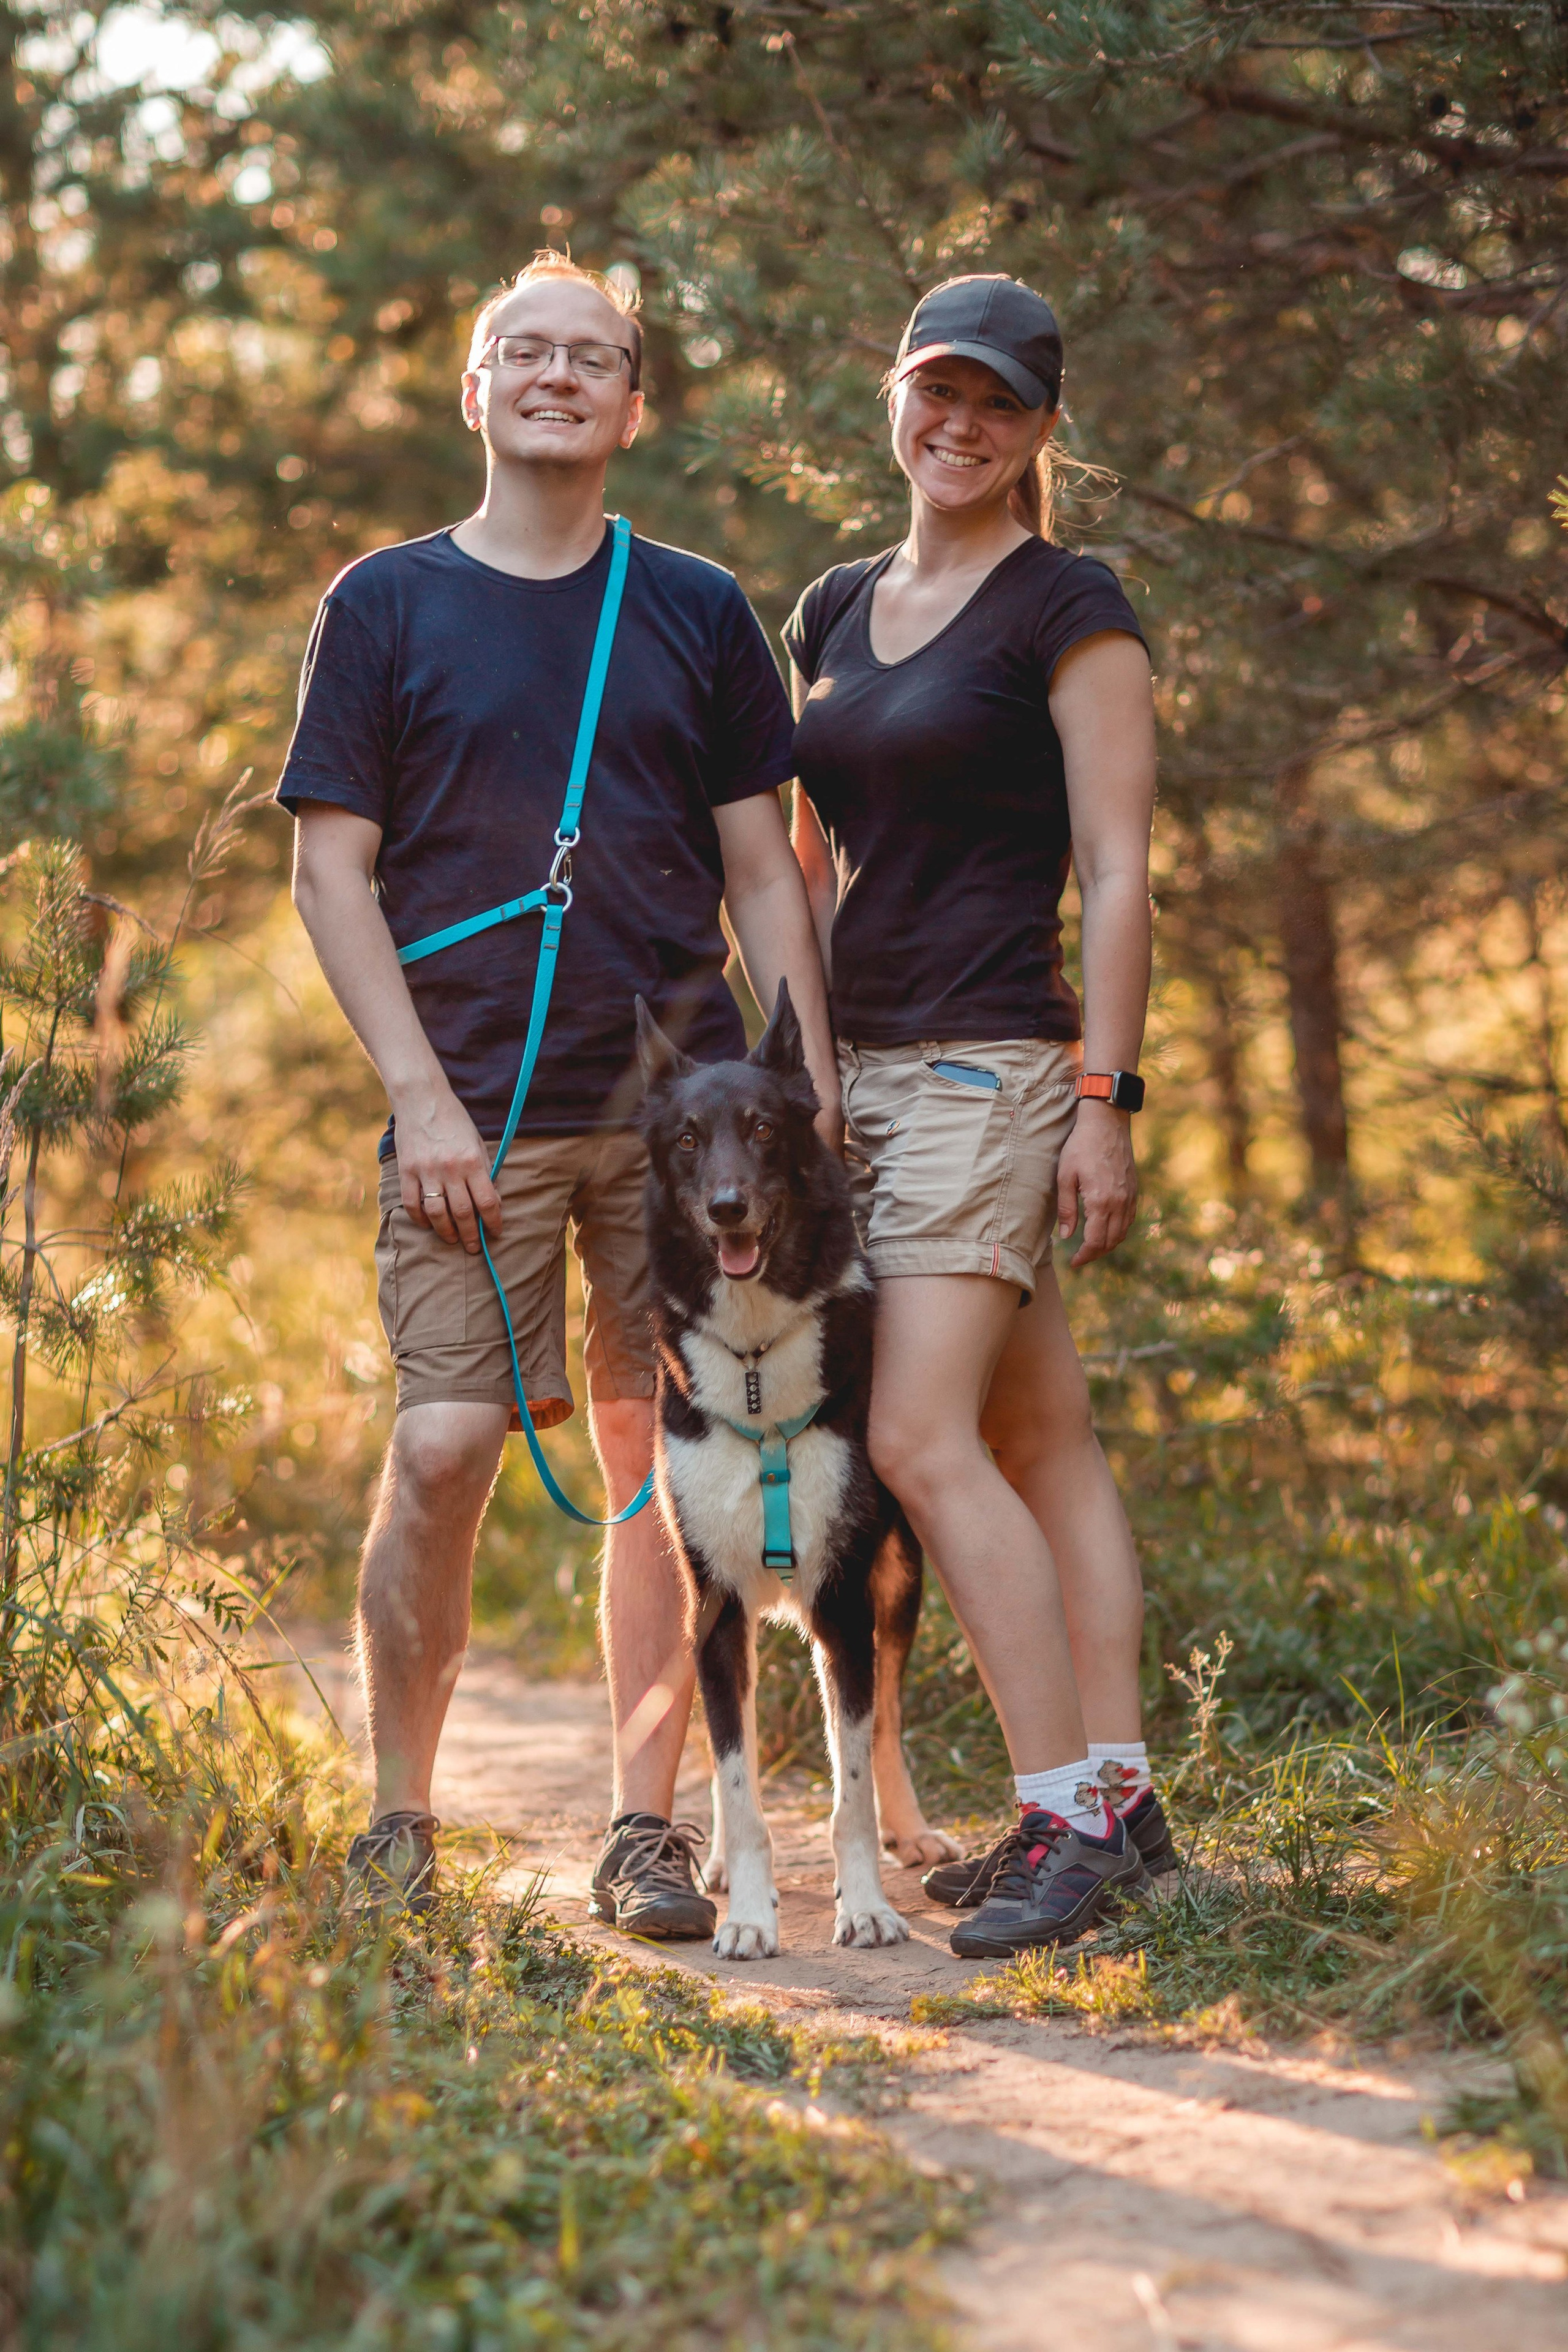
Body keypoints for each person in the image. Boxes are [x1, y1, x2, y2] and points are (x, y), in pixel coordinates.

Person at [279, 250, 837, 1932]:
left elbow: (763, 870)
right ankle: (401, 1814)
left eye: (594, 356)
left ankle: (642, 1828)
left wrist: (807, 1092)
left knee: (666, 1465)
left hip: (693, 1132)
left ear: (632, 404)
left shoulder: (694, 606)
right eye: (526, 351)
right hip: (476, 1112)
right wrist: (423, 1098)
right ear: (477, 390)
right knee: (447, 1443)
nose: (559, 374)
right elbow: (329, 875)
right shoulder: (382, 602)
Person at [785, 274, 1167, 1958]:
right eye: (936, 388)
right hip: (860, 1072)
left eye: (996, 402)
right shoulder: (834, 604)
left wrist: (1106, 1098)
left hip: (990, 1062)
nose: (959, 424)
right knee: (1037, 1439)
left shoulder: (1066, 604)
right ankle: (1128, 1799)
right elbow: (800, 868)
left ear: (1039, 431)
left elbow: (1122, 866)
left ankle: (1062, 1820)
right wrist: (792, 1067)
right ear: (895, 395)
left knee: (916, 1442)